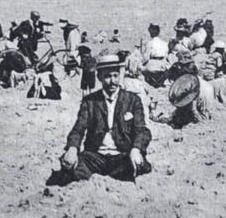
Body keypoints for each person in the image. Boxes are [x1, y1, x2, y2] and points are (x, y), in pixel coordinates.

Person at [47, 52, 151, 186]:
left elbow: (141, 130)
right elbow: (78, 129)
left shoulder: (132, 100)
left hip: (122, 155)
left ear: (120, 75)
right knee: (70, 164)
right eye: (107, 76)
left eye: (115, 75)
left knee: (136, 164)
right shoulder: (90, 101)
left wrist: (136, 149)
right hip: (95, 156)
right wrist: (72, 148)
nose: (112, 81)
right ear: (99, 77)